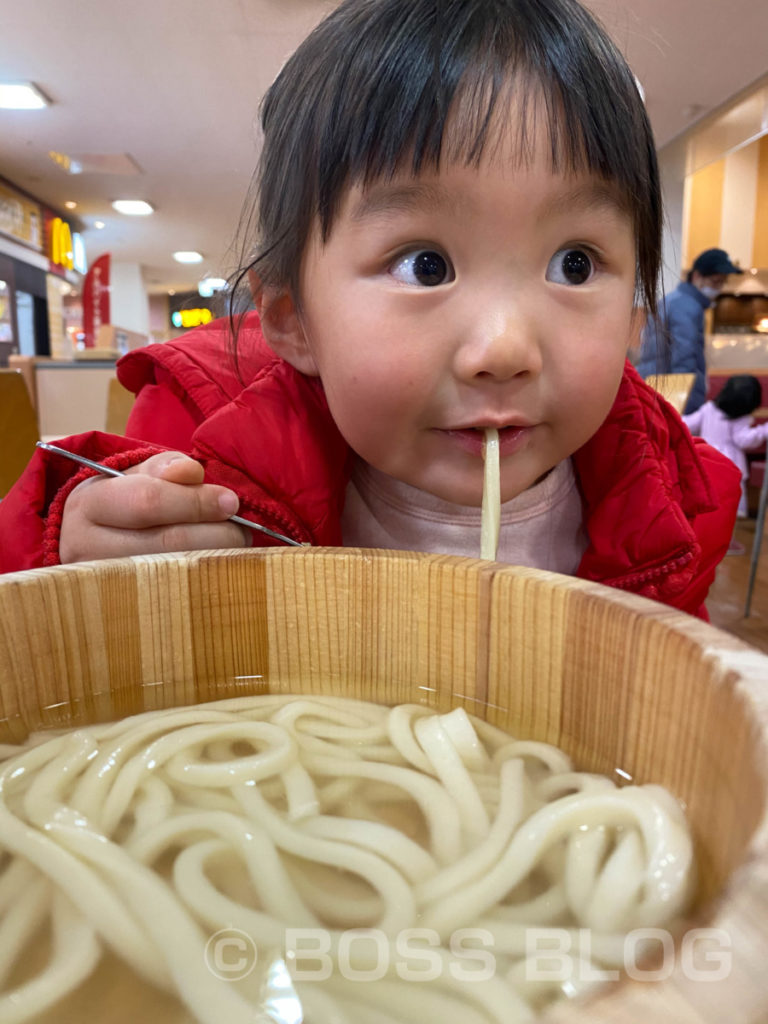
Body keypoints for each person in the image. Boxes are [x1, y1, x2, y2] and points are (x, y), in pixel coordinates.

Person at [0, 0, 741, 620]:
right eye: (426, 265)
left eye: (574, 264)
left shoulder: (671, 505)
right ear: (293, 319)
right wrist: (68, 558)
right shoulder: (208, 457)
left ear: (636, 320)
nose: (505, 346)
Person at [635, 247, 744, 414]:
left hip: (654, 390)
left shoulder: (673, 299)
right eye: (715, 281)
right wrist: (688, 407)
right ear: (697, 276)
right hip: (671, 397)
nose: (719, 288)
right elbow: (684, 358)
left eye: (723, 282)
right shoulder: (687, 306)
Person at [683, 375, 768, 553]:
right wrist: (763, 430)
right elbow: (744, 440)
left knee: (705, 504)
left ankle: (702, 538)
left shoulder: (709, 409)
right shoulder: (739, 418)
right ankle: (724, 542)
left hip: (706, 461)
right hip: (730, 467)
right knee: (728, 508)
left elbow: (688, 423)